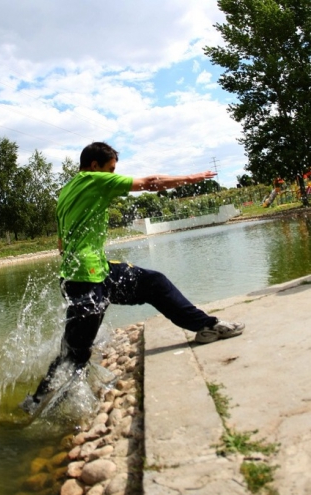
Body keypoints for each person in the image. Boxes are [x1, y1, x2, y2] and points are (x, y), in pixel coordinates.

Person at [21, 142, 244, 411]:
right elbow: (151, 182)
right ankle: (37, 404)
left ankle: (206, 326)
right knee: (74, 356)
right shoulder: (94, 180)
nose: (115, 174)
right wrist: (192, 178)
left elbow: (60, 245)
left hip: (94, 273)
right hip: (87, 281)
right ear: (95, 166)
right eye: (112, 169)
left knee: (154, 282)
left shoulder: (67, 191)